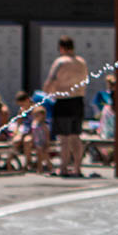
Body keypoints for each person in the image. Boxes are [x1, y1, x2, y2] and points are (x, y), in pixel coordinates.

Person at [43, 35, 88, 177]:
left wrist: (48, 93)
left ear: (61, 48)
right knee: (76, 136)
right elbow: (85, 81)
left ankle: (63, 168)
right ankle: (77, 168)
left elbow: (50, 82)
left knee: (64, 138)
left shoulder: (60, 62)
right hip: (78, 101)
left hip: (63, 101)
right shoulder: (81, 62)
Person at [30, 106, 52, 174]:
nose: (36, 117)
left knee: (45, 155)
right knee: (38, 155)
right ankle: (39, 168)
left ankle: (50, 167)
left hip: (43, 141)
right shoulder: (34, 123)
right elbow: (33, 133)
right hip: (36, 141)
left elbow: (47, 134)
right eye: (35, 115)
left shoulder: (44, 124)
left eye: (38, 115)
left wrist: (47, 142)